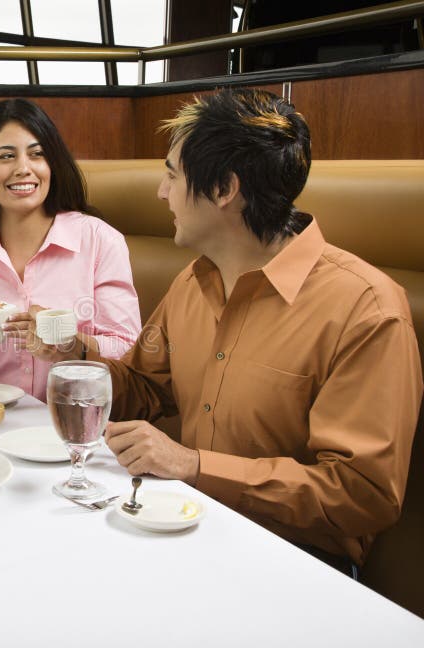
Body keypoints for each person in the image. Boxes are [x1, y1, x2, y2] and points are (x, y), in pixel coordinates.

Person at [98, 88, 422, 571]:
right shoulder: (194, 279)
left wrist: (195, 466)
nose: (161, 192)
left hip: (298, 563)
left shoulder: (367, 310)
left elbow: (363, 494)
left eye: (172, 174)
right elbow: (144, 388)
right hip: (184, 525)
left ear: (225, 189)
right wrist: (67, 355)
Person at [0, 98, 141, 401]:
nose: (23, 168)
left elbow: (127, 347)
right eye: (6, 156)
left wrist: (70, 344)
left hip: (78, 420)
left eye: (37, 154)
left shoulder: (100, 240)